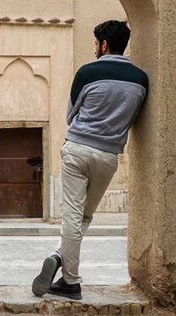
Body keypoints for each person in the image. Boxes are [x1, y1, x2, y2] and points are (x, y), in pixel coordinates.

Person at [32, 20, 148, 300]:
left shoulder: (87, 72)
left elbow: (71, 115)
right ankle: (61, 257)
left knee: (72, 217)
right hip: (109, 157)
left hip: (77, 151)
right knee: (84, 216)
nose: (95, 49)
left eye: (96, 44)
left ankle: (70, 281)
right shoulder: (141, 80)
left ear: (104, 45)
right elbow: (133, 119)